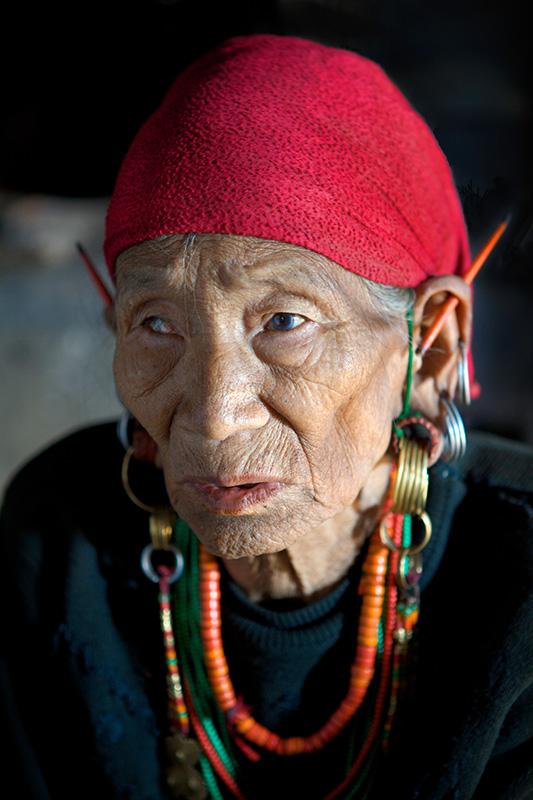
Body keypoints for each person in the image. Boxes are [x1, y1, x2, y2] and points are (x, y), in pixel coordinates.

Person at [1, 34, 532, 800]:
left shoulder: (517, 583)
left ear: (435, 344)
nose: (215, 417)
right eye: (156, 324)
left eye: (284, 321)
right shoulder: (59, 535)